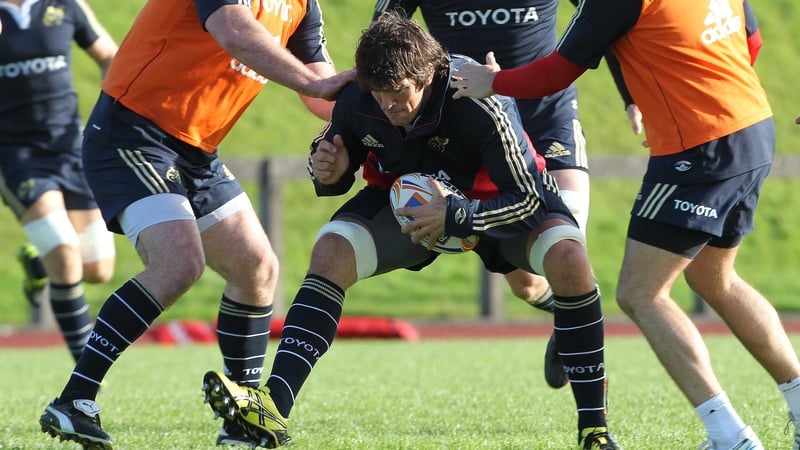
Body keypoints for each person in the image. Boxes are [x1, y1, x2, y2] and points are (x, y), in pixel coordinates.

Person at [202, 11, 620, 449]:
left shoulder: (476, 99)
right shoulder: (360, 96)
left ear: (427, 75)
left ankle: (594, 429)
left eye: (398, 92)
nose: (388, 105)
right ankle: (273, 406)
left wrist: (457, 215)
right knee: (331, 250)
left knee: (569, 258)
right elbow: (338, 154)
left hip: (496, 204)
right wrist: (328, 170)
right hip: (412, 212)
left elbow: (529, 199)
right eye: (379, 95)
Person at [451, 0, 800, 448]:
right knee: (715, 279)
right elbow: (751, 41)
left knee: (641, 293)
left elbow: (555, 73)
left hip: (700, 149)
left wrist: (492, 82)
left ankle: (728, 436)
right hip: (753, 128)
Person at [37, 1, 355, 449]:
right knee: (179, 264)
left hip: (197, 152)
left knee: (257, 268)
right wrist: (315, 83)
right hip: (133, 131)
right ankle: (74, 401)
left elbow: (322, 92)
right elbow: (234, 31)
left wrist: (383, 95)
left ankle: (242, 421)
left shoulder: (303, 3)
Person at [371, 0, 643, 390]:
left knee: (567, 245)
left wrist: (632, 93)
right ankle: (568, 313)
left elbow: (611, 15)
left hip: (546, 110)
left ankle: (576, 332)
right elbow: (381, 38)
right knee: (526, 285)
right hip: (468, 119)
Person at [0, 0, 118, 361]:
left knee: (98, 269)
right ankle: (86, 373)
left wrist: (112, 112)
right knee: (65, 252)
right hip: (16, 155)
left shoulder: (66, 6)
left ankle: (39, 265)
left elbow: (110, 56)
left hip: (70, 149)